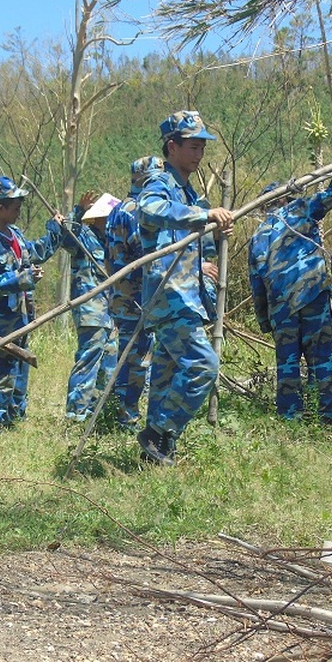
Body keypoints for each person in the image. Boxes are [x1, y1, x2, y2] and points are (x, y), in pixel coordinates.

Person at [135, 110, 234, 465]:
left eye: (202, 148)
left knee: (164, 377)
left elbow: (193, 240)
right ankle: (160, 431)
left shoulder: (188, 192)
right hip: (169, 296)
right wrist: (203, 216)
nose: (198, 155)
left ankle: (156, 454)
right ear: (172, 147)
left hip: (185, 296)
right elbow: (148, 210)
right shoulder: (160, 183)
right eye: (192, 147)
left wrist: (214, 232)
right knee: (202, 364)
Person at [248, 142, 332, 423]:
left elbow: (257, 284)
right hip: (312, 295)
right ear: (284, 199)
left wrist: (264, 321)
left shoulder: (258, 236)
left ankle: (290, 417)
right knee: (321, 359)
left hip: (281, 306)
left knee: (288, 363)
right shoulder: (301, 209)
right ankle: (328, 414)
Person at [0, 176, 63, 431]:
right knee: (1, 365)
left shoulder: (16, 235)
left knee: (19, 364)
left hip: (21, 314)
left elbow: (37, 253)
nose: (19, 212)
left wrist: (54, 230)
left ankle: (14, 414)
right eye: (15, 207)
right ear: (0, 208)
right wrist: (19, 278)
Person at [105, 157, 162, 431]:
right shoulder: (134, 210)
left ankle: (120, 410)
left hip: (124, 295)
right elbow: (145, 250)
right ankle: (125, 416)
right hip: (134, 297)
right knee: (136, 359)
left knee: (129, 355)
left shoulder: (118, 209)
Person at [62, 191, 119, 423]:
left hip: (111, 311)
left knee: (110, 360)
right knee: (89, 358)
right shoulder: (83, 236)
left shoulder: (113, 243)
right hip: (90, 310)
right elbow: (64, 237)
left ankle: (99, 412)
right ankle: (76, 412)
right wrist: (77, 211)